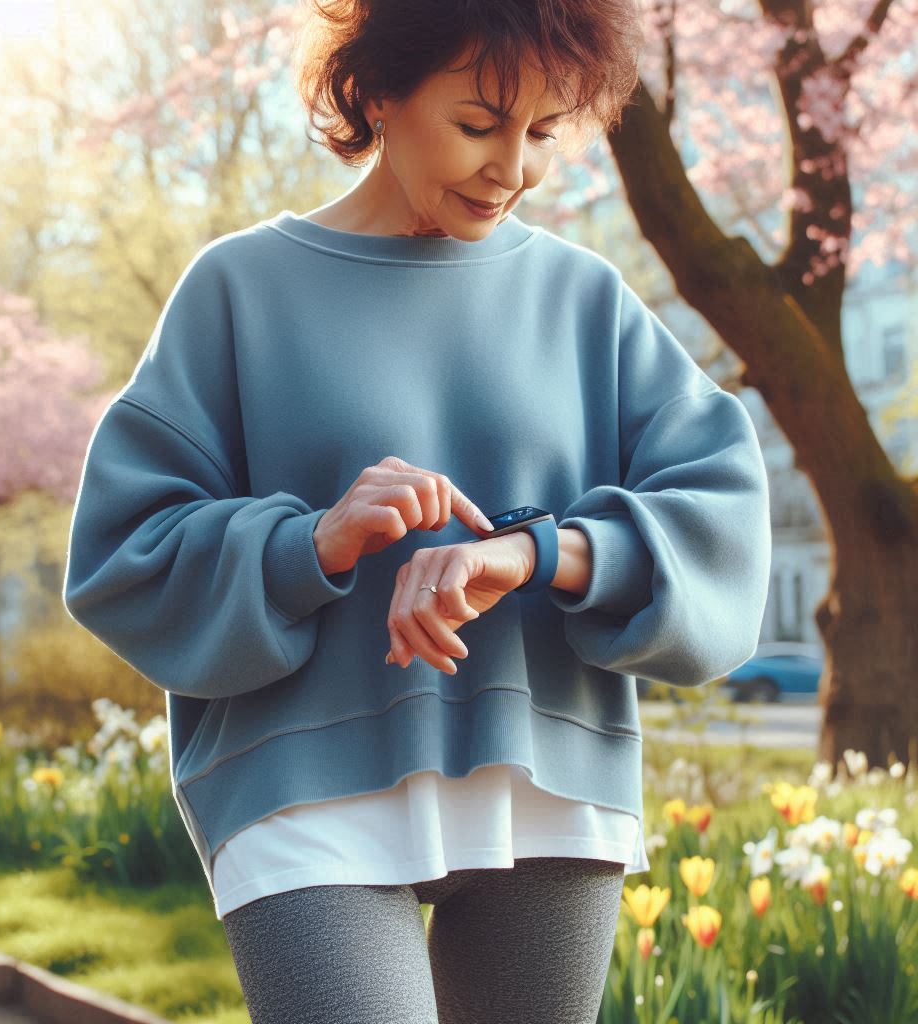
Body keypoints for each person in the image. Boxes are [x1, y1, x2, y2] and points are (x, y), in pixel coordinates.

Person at [62, 1, 772, 1021]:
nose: (512, 169)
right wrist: (309, 543)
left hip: (549, 781)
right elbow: (123, 551)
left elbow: (721, 517)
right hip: (300, 783)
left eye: (540, 131)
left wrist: (540, 554)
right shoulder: (239, 290)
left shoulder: (584, 299)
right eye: (479, 124)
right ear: (377, 92)